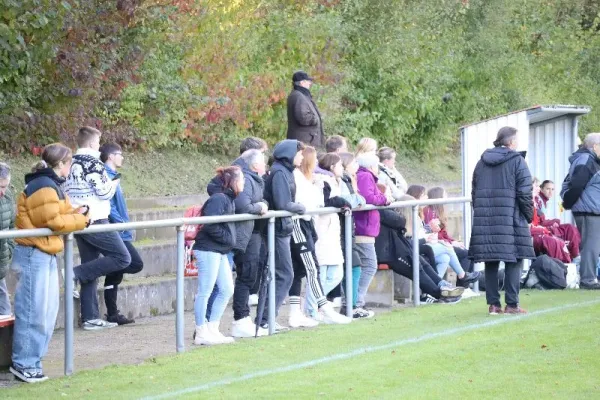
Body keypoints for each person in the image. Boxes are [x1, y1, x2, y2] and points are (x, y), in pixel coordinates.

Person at [10, 144, 89, 383]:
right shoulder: (43, 185)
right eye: (70, 163)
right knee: (34, 312)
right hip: (34, 254)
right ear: (62, 164)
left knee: (46, 311)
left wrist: (79, 213)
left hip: (44, 253)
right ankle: (24, 363)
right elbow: (54, 221)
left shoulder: (50, 184)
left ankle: (33, 361)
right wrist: (82, 220)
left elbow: (61, 213)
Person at [63, 127, 131, 330]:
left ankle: (90, 317)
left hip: (77, 218)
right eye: (98, 142)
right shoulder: (94, 163)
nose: (99, 146)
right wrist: (114, 183)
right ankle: (72, 274)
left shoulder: (70, 162)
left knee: (91, 267)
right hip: (96, 220)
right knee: (122, 257)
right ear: (93, 143)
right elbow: (103, 193)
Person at [470, 126, 535, 314]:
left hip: (486, 219)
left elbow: (474, 192)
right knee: (514, 259)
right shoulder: (517, 161)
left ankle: (493, 305)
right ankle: (512, 304)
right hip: (511, 219)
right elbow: (525, 193)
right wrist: (529, 215)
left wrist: (481, 212)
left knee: (491, 260)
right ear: (512, 142)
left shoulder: (481, 163)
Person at [288, 147, 351, 326]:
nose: (316, 163)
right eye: (313, 160)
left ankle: (297, 312)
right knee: (312, 269)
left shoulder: (310, 179)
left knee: (300, 271)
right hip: (299, 224)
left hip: (307, 224)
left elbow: (316, 201)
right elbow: (310, 202)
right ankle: (322, 308)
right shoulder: (297, 177)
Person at [258, 139, 306, 331]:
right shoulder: (279, 172)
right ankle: (265, 318)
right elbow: (283, 203)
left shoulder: (285, 171)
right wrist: (301, 207)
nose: (302, 157)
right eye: (299, 153)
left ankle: (267, 317)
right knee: (284, 274)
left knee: (284, 274)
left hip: (283, 229)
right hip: (277, 230)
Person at [377, 196, 464, 303]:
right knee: (418, 264)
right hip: (390, 255)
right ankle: (439, 293)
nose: (390, 198)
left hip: (397, 251)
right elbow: (400, 223)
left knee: (421, 259)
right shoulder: (386, 214)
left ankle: (441, 284)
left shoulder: (387, 214)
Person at [192, 166, 242, 345]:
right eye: (241, 179)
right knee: (205, 291)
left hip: (220, 250)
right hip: (208, 249)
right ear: (233, 181)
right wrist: (227, 239)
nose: (243, 182)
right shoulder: (219, 199)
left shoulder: (228, 199)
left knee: (227, 289)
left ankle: (213, 328)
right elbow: (210, 224)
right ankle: (201, 331)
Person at [225, 150, 269, 338]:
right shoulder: (248, 180)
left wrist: (262, 204)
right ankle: (240, 318)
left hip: (254, 233)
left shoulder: (254, 179)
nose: (266, 164)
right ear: (255, 165)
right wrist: (260, 207)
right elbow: (244, 205)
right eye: (263, 161)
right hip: (246, 235)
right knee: (246, 276)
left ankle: (244, 319)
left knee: (251, 275)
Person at [100, 143, 144, 325]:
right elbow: (108, 205)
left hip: (120, 230)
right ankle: (87, 272)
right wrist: (122, 223)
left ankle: (112, 313)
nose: (122, 157)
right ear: (110, 156)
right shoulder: (105, 176)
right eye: (119, 154)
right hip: (115, 230)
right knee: (134, 263)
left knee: (115, 272)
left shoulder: (114, 176)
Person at [408, 185, 479, 286]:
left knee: (446, 257)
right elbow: (424, 233)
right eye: (424, 195)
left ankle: (436, 287)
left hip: (429, 243)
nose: (427, 198)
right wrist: (448, 242)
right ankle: (462, 279)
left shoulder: (423, 212)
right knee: (460, 252)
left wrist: (451, 240)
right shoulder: (427, 211)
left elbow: (437, 232)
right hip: (422, 246)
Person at [312, 153, 353, 322]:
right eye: (339, 165)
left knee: (336, 274)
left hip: (332, 231)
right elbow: (323, 203)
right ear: (331, 166)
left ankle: (317, 303)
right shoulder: (322, 181)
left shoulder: (335, 181)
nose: (342, 168)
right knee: (322, 272)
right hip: (323, 230)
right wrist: (340, 202)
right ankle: (313, 307)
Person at [561, 132, 600, 290]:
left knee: (593, 245)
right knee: (591, 245)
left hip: (590, 209)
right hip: (588, 210)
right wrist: (569, 203)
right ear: (595, 146)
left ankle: (589, 277)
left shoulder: (590, 160)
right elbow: (576, 185)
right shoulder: (586, 160)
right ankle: (588, 279)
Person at [354, 153, 389, 315]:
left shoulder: (365, 176)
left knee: (364, 265)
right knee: (369, 265)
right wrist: (383, 199)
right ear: (371, 166)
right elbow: (368, 197)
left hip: (366, 228)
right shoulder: (365, 176)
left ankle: (356, 301)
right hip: (363, 228)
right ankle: (356, 302)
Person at [337, 152, 370, 318]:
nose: (357, 164)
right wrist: (357, 198)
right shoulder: (342, 180)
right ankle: (349, 306)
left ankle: (351, 305)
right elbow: (348, 199)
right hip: (341, 231)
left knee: (354, 266)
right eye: (354, 161)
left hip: (348, 230)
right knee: (352, 267)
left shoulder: (349, 179)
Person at [286, 71, 323, 147]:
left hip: (305, 141)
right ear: (302, 83)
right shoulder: (298, 96)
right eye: (308, 81)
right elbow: (303, 118)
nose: (310, 83)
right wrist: (315, 119)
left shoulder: (300, 95)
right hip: (304, 142)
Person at [0, 162, 15, 318]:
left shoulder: (8, 196)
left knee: (5, 313)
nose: (3, 192)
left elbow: (11, 225)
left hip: (1, 262)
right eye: (0, 187)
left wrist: (9, 247)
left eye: (5, 187)